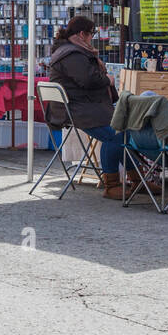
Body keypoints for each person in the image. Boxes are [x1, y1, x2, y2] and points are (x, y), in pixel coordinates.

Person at [46, 16, 127, 200]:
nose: (92, 38)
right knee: (115, 135)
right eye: (91, 34)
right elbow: (88, 80)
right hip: (76, 109)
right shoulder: (72, 54)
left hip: (79, 105)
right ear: (82, 34)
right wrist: (109, 80)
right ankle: (112, 185)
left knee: (123, 128)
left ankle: (138, 179)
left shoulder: (68, 50)